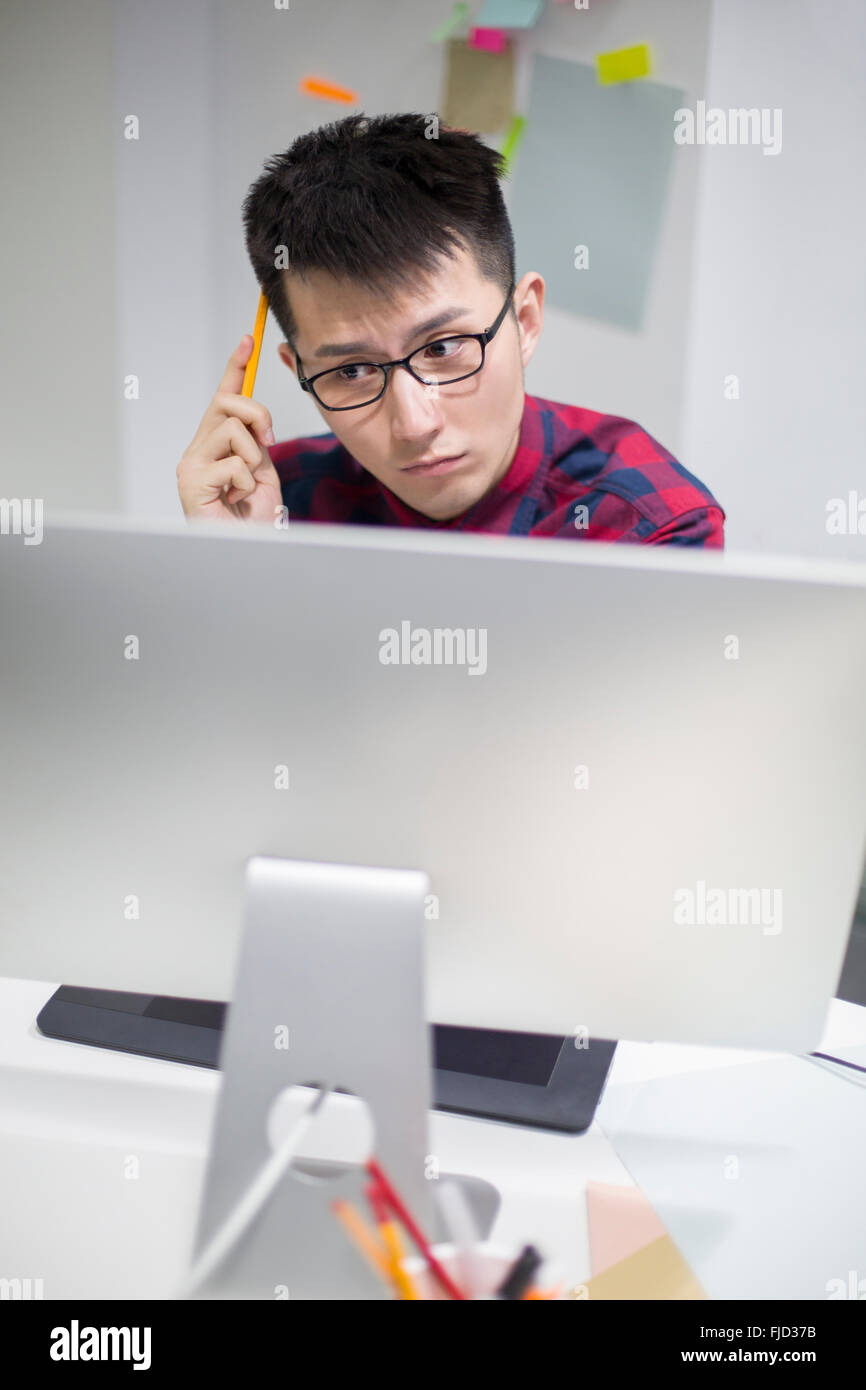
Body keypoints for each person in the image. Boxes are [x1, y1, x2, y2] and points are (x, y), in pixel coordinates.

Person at [177, 113, 724, 546]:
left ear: (525, 322)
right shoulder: (273, 504)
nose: (414, 425)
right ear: (298, 371)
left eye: (442, 347)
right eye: (353, 370)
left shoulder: (648, 523)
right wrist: (236, 567)